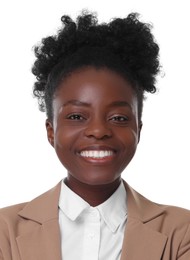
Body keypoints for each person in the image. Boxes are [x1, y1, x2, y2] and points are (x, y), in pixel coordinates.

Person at [0, 10, 190, 260]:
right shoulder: (5, 232)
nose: (99, 131)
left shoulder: (181, 232)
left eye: (119, 118)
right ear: (51, 131)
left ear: (138, 131)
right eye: (77, 116)